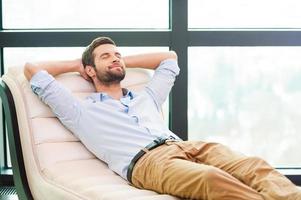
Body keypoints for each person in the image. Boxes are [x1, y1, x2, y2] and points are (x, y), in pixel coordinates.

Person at [24, 36, 301, 200]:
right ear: (90, 70)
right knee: (210, 179)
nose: (115, 58)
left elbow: (169, 58)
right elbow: (32, 69)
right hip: (146, 163)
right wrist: (77, 66)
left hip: (185, 146)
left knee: (253, 166)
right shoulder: (81, 111)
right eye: (106, 57)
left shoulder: (146, 97)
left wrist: (122, 61)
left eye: (117, 54)